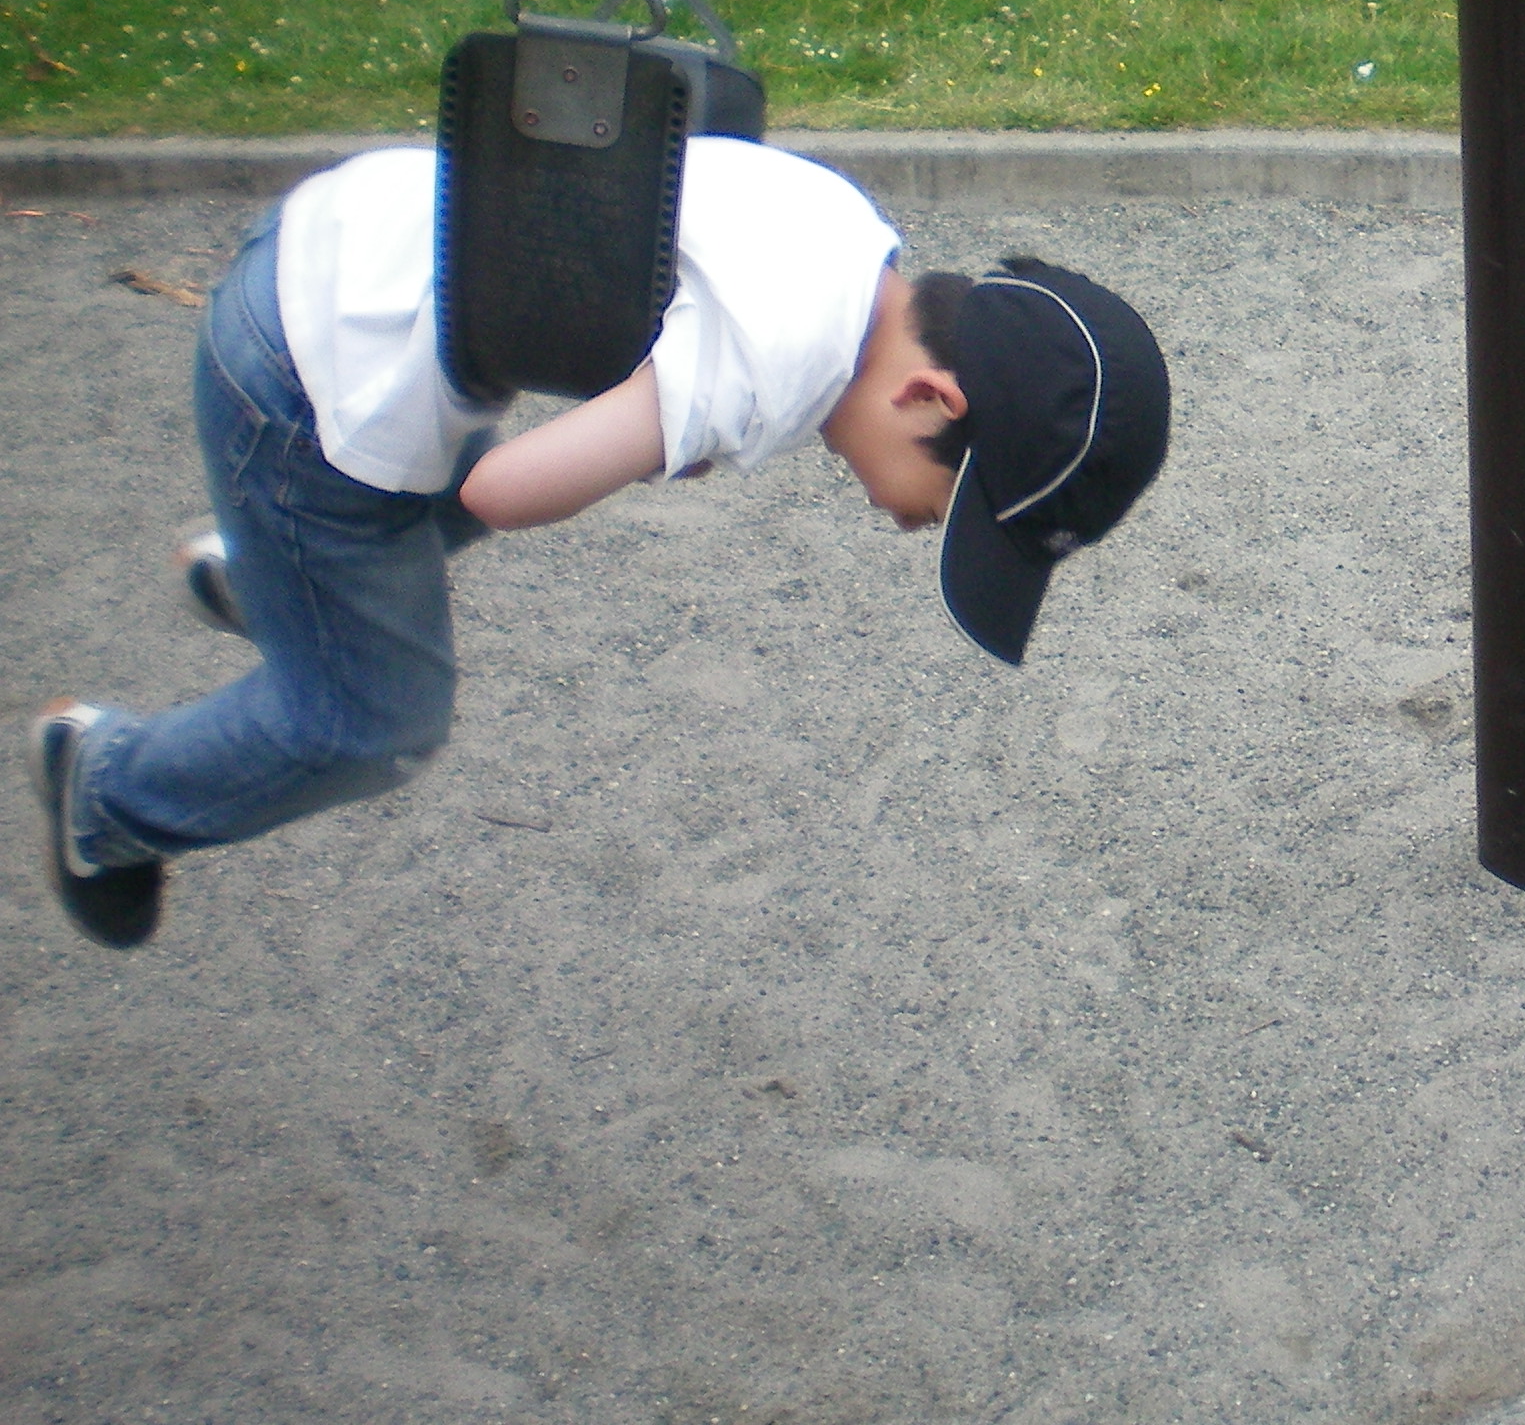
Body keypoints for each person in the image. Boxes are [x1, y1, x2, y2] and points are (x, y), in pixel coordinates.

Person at [31, 137, 1167, 950]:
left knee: (406, 524)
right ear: (928, 397)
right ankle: (106, 790)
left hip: (344, 238)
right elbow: (504, 489)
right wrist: (654, 443)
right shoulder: (771, 364)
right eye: (946, 504)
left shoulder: (847, 238)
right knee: (375, 723)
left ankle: (273, 574)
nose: (915, 524)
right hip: (300, 376)